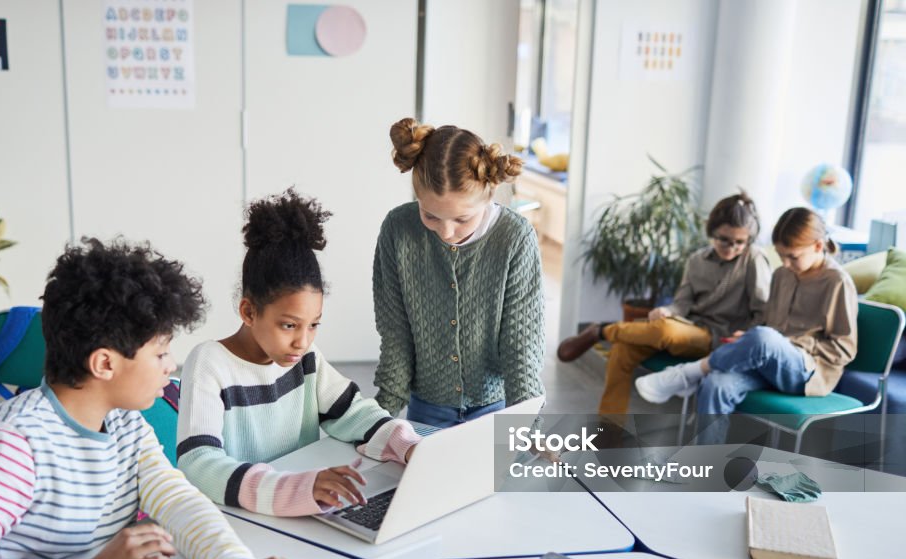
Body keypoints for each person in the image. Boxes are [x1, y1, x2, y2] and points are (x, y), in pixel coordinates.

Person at [0, 239, 306, 559]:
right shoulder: (11, 447)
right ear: (104, 364)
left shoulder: (125, 424)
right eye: (160, 353)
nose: (171, 366)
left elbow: (177, 500)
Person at [177, 189, 421, 517]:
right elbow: (198, 462)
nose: (302, 341)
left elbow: (351, 412)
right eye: (289, 325)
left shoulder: (305, 358)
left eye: (314, 325)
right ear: (249, 312)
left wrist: (407, 445)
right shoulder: (209, 363)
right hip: (243, 519)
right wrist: (294, 488)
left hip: (300, 513)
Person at [373, 118, 545, 428]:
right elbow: (396, 333)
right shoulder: (398, 230)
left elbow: (521, 342)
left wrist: (529, 422)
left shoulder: (515, 238)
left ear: (489, 195)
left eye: (462, 219)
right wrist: (380, 416)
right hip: (426, 407)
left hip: (496, 407)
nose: (447, 232)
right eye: (430, 215)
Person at [635, 207, 858, 425]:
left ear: (818, 246)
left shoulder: (837, 282)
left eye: (793, 257)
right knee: (716, 384)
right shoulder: (782, 274)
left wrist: (776, 342)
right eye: (781, 256)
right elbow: (768, 324)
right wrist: (748, 339)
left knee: (764, 338)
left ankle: (688, 373)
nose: (786, 264)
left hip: (807, 373)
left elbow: (844, 349)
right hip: (768, 363)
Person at [557, 191, 772, 414]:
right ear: (712, 231)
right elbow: (681, 303)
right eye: (724, 240)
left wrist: (745, 339)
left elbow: (763, 311)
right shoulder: (696, 260)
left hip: (721, 339)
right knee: (623, 349)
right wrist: (666, 310)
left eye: (739, 242)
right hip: (688, 328)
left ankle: (601, 330)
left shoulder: (754, 259)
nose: (731, 247)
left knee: (666, 330)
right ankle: (610, 428)